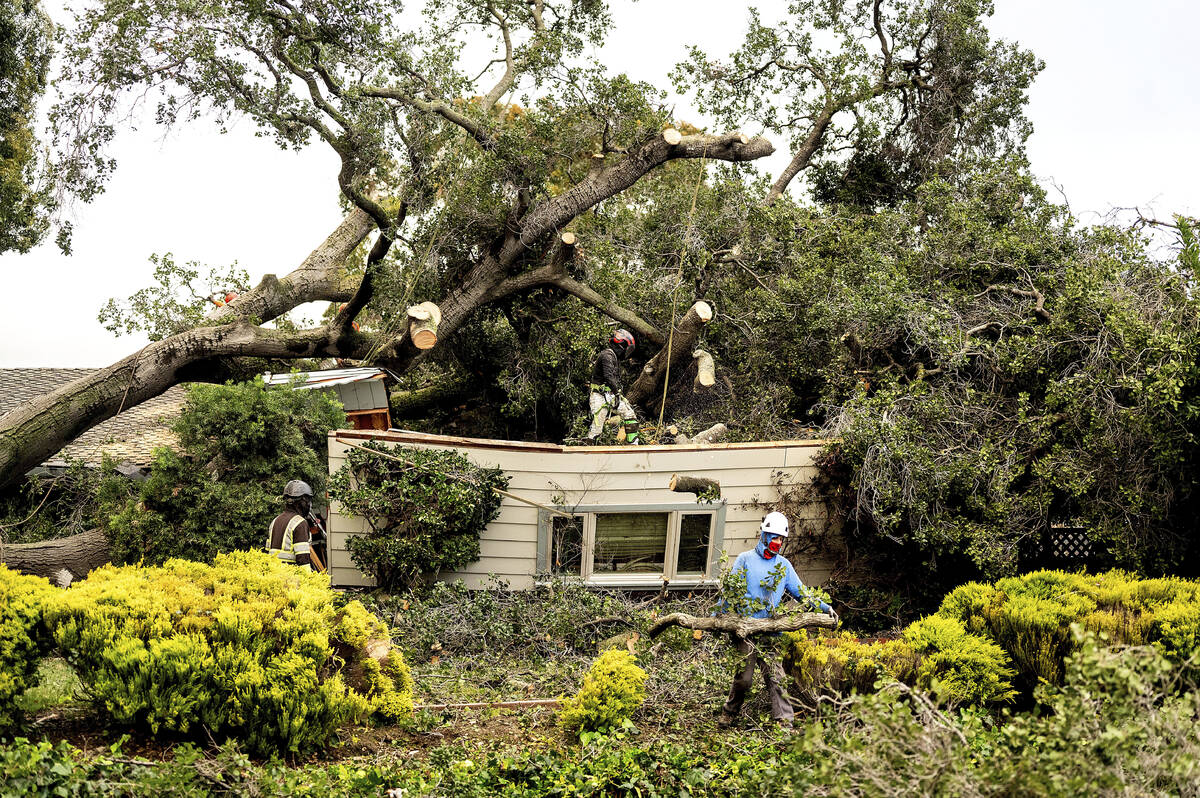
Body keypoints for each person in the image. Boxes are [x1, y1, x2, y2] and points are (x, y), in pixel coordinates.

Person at [717, 511, 836, 729]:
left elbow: (802, 593)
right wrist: (718, 617)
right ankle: (729, 711)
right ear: (764, 535)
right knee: (744, 679)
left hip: (771, 630)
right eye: (774, 537)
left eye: (781, 539)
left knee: (776, 677)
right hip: (746, 630)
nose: (778, 542)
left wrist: (825, 607)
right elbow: (729, 591)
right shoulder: (745, 560)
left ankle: (784, 722)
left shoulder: (784, 566)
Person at [586, 328, 641, 444]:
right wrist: (616, 393)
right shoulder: (607, 355)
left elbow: (613, 380)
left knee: (629, 414)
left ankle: (633, 445)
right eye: (627, 348)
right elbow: (608, 377)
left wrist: (616, 394)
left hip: (610, 394)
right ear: (621, 344)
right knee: (598, 424)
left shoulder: (614, 358)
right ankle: (589, 448)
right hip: (599, 395)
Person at [267, 479, 325, 572]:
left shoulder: (275, 521)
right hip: (290, 578)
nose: (309, 505)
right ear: (301, 502)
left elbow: (267, 550)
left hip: (274, 575)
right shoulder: (300, 523)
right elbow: (303, 559)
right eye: (308, 501)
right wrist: (309, 581)